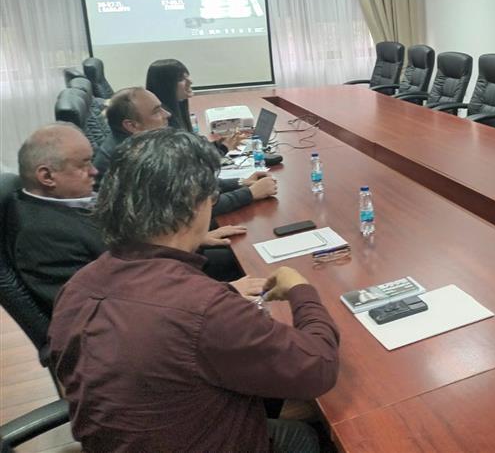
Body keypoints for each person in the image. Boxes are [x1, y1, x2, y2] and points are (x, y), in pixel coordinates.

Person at [48, 128, 339, 452]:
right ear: (193, 205)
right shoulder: (203, 310)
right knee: (309, 435)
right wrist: (302, 291)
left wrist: (218, 281)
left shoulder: (78, 286)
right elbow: (319, 367)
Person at [14, 123, 262, 311]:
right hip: (147, 323)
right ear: (47, 176)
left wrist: (190, 238)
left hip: (156, 276)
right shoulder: (41, 236)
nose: (95, 171)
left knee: (245, 253)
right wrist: (224, 292)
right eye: (83, 164)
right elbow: (109, 308)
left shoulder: (71, 201)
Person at [95, 87, 277, 214]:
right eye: (156, 111)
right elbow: (189, 207)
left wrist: (240, 182)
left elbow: (192, 184)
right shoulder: (134, 159)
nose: (167, 115)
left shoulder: (138, 145)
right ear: (132, 125)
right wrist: (250, 194)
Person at [146, 58, 245, 152]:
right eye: (181, 79)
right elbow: (188, 163)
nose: (190, 81)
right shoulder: (163, 122)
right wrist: (224, 148)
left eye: (187, 76)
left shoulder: (177, 110)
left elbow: (191, 152)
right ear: (165, 86)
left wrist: (218, 145)